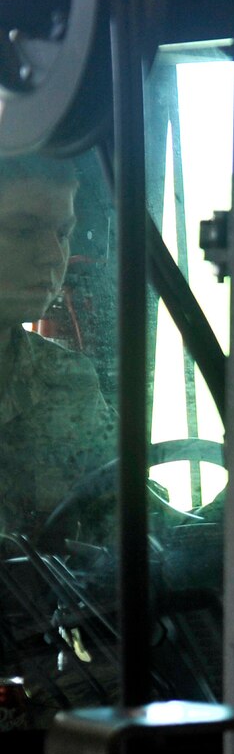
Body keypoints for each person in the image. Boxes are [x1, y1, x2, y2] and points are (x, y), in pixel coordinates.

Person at [0, 154, 115, 538]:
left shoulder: (68, 379)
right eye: (22, 231)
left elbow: (127, 511)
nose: (54, 255)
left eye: (63, 234)